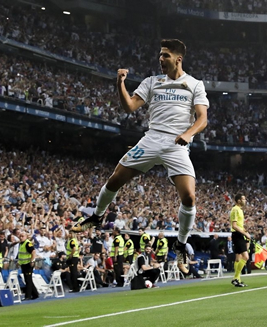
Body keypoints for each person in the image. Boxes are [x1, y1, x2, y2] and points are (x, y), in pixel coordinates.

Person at [72, 39, 209, 275]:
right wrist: (120, 83)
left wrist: (188, 134)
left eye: (165, 55)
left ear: (178, 58)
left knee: (189, 197)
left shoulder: (195, 85)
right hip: (151, 139)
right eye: (160, 55)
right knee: (115, 179)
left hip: (177, 144)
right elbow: (130, 107)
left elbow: (202, 119)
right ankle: (97, 216)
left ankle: (181, 242)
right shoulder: (152, 82)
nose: (160, 59)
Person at [230, 193, 251, 287]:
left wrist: (244, 231)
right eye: (243, 199)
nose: (245, 201)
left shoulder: (240, 210)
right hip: (237, 235)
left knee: (238, 258)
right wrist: (244, 233)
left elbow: (239, 225)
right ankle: (235, 278)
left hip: (239, 234)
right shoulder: (235, 209)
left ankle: (238, 279)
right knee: (246, 257)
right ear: (238, 200)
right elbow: (234, 225)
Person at [18, 232, 39, 300]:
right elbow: (21, 255)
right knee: (28, 280)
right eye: (20, 236)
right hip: (23, 264)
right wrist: (19, 262)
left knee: (28, 280)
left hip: (28, 264)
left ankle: (28, 296)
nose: (21, 237)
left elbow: (33, 252)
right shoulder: (21, 244)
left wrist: (32, 261)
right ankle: (35, 294)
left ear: (26, 237)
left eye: (22, 236)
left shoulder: (27, 243)